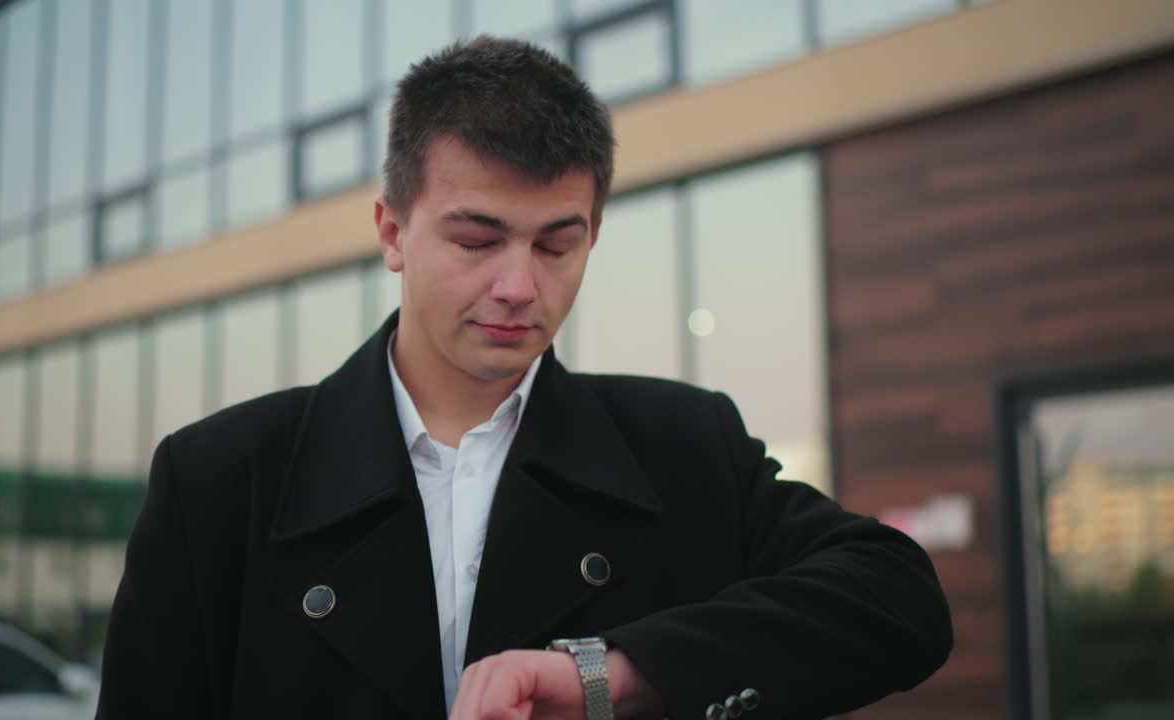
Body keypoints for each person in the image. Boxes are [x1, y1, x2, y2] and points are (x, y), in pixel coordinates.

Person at [96, 36, 951, 720]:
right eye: (477, 239)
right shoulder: (218, 479)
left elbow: (898, 597)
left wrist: (615, 675)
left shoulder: (683, 445)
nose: (519, 286)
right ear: (392, 231)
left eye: (556, 243)